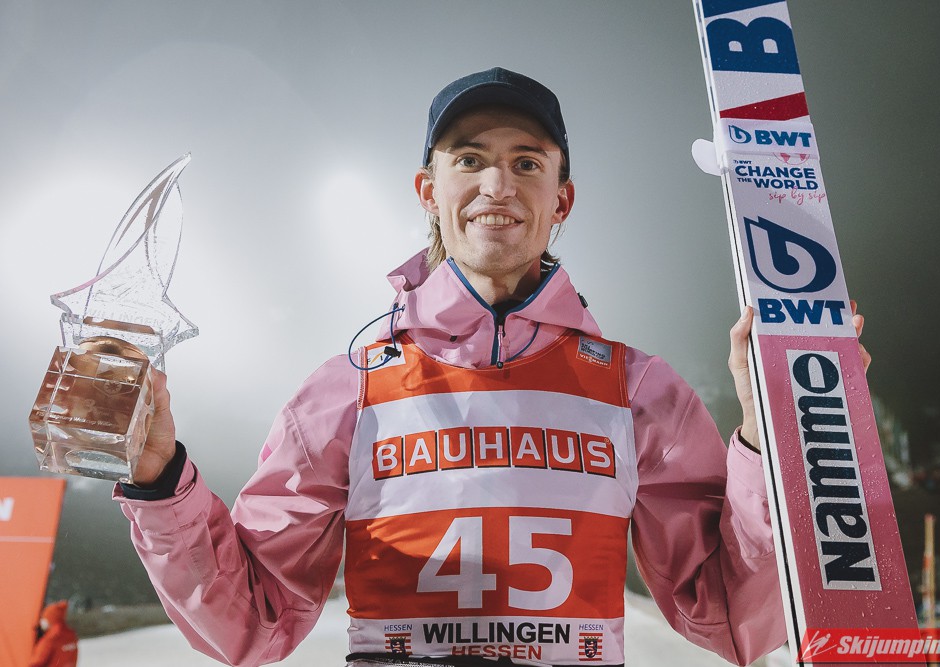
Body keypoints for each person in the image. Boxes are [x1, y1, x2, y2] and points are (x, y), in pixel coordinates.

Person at [115, 68, 869, 667]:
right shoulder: (348, 389)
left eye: (526, 163)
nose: (498, 186)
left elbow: (735, 619)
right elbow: (250, 624)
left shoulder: (640, 391)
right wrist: (158, 483)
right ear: (429, 190)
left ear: (561, 199)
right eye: (469, 159)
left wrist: (779, 440)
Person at [29, 601, 78, 667]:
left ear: (50, 620)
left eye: (44, 618)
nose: (41, 622)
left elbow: (36, 662)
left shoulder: (50, 638)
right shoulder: (71, 636)